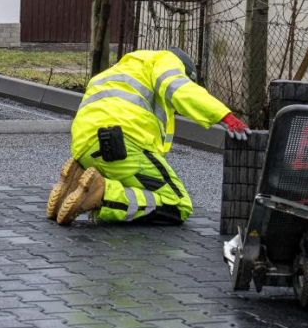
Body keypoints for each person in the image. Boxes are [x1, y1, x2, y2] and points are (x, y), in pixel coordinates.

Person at [47, 47, 250, 226]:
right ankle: (102, 193)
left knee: (135, 186)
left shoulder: (121, 69)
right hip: (122, 142)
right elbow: (179, 87)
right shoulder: (165, 61)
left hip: (84, 145)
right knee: (177, 204)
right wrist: (223, 115)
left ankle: (76, 185)